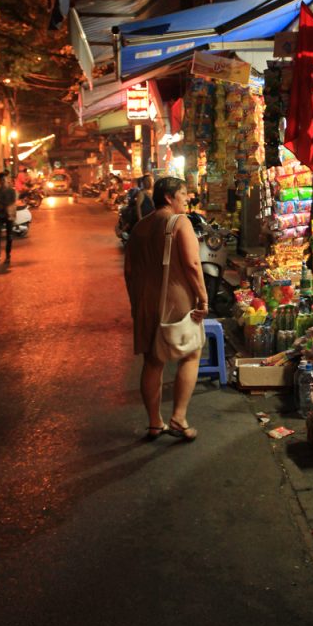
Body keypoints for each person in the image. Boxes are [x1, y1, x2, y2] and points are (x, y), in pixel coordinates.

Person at [124, 176, 209, 442]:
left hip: (146, 301)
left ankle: (153, 423)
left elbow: (128, 271)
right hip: (177, 298)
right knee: (191, 353)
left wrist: (135, 303)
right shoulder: (178, 222)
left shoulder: (140, 227)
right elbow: (193, 265)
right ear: (170, 198)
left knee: (152, 361)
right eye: (184, 193)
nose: (188, 198)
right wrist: (203, 299)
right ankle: (178, 418)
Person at [0, 171, 17, 265]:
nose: (2, 181)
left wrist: (5, 205)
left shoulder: (11, 191)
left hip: (9, 215)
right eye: (0, 180)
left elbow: (13, 201)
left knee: (9, 237)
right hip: (0, 214)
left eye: (3, 179)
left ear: (6, 180)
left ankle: (8, 255)